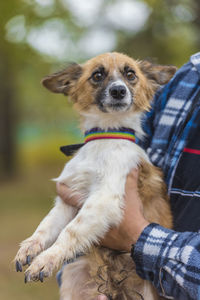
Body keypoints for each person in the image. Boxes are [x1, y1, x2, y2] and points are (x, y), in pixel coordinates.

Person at [57, 52, 200, 300]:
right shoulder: (184, 79)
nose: (118, 87)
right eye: (98, 76)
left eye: (129, 76)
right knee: (71, 272)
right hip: (104, 271)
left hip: (150, 283)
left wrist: (137, 235)